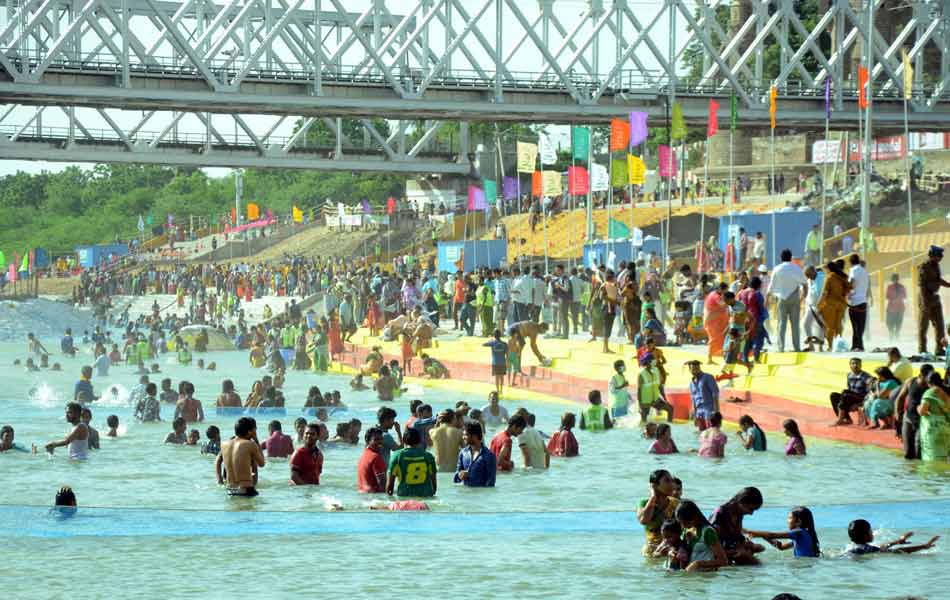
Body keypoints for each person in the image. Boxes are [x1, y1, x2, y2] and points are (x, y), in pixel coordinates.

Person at [710, 486, 765, 565]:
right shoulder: (720, 514)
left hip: (731, 547)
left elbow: (737, 536)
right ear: (741, 502)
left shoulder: (739, 513)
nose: (751, 513)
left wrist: (745, 544)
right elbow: (711, 542)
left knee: (760, 548)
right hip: (717, 550)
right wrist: (736, 551)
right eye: (750, 509)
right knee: (752, 561)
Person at [766, 249, 807, 352]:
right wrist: (802, 298)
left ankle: (781, 348)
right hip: (794, 297)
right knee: (795, 324)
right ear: (790, 257)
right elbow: (805, 284)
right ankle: (797, 347)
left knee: (781, 324)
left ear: (781, 258)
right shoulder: (796, 268)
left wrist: (767, 299)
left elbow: (770, 287)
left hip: (781, 298)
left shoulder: (777, 269)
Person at [216, 417, 266, 496]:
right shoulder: (250, 444)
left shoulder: (224, 444)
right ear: (250, 431)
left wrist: (220, 480)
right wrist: (256, 439)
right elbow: (262, 463)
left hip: (230, 490)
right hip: (246, 489)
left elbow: (218, 460)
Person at [745, 506, 821, 558]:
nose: (787, 521)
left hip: (803, 565)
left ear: (798, 522)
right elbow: (781, 547)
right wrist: (763, 536)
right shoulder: (806, 534)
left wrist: (750, 532)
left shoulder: (798, 532)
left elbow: (772, 535)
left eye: (789, 518)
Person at [675, 500, 729, 572]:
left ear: (695, 517)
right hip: (690, 574)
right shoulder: (686, 530)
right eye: (680, 523)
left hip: (705, 576)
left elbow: (723, 561)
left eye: (686, 522)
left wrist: (698, 563)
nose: (683, 526)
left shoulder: (708, 532)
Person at [636, 469, 680, 555]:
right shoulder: (644, 503)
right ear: (655, 485)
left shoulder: (675, 503)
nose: (672, 485)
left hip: (672, 548)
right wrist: (653, 497)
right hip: (652, 549)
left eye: (672, 481)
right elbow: (644, 520)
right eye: (667, 481)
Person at [895, 364, 934, 460]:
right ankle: (909, 473)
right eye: (926, 377)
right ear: (920, 375)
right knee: (908, 453)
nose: (928, 380)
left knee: (918, 451)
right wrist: (897, 413)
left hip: (923, 421)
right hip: (907, 418)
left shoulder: (932, 386)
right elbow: (900, 398)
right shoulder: (910, 381)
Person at [386, 427, 437, 497]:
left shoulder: (397, 456)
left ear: (404, 440)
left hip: (404, 496)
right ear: (419, 440)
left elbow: (389, 487)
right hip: (426, 495)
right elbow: (434, 486)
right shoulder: (429, 456)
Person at [917, 245, 949, 355]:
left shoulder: (936, 266)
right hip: (926, 297)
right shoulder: (924, 267)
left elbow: (938, 280)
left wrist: (948, 285)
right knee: (923, 326)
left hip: (935, 298)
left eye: (941, 256)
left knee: (940, 325)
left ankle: (939, 349)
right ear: (932, 255)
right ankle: (922, 349)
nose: (940, 258)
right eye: (939, 256)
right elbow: (921, 285)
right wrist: (925, 302)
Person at [845, 519, 939, 555]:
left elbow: (880, 548)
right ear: (866, 536)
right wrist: (924, 546)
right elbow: (899, 551)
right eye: (870, 531)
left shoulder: (852, 547)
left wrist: (898, 541)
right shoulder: (867, 549)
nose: (872, 532)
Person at [830, 358, 873, 426]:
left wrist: (860, 403)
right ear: (850, 365)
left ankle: (840, 419)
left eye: (857, 363)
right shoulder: (849, 375)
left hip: (861, 398)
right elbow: (849, 388)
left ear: (861, 365)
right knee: (833, 395)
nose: (855, 365)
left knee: (845, 394)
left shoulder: (866, 377)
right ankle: (847, 419)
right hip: (850, 397)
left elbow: (870, 393)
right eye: (853, 363)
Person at [817, 261, 850, 350]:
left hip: (831, 304)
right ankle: (838, 344)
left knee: (830, 326)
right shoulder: (842, 276)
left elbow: (825, 293)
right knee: (838, 325)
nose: (825, 271)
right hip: (842, 305)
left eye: (825, 269)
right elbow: (848, 289)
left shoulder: (830, 277)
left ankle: (830, 346)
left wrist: (819, 304)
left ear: (828, 269)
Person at [918, 371, 950, 462]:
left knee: (931, 456)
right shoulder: (945, 392)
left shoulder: (930, 392)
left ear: (928, 382)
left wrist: (917, 407)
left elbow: (922, 411)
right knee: (943, 455)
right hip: (945, 427)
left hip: (933, 429)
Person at [454, 422, 497, 487]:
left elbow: (491, 483)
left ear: (474, 436)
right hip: (466, 493)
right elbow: (456, 478)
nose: (463, 437)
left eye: (466, 435)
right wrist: (460, 475)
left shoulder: (489, 456)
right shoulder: (463, 453)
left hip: (481, 495)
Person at [637, 353, 673, 423]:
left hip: (656, 399)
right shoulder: (641, 374)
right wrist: (639, 405)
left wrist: (665, 399)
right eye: (652, 360)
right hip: (645, 401)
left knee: (670, 408)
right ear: (647, 362)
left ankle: (669, 425)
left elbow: (660, 386)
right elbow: (639, 390)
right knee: (644, 421)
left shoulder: (656, 370)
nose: (655, 361)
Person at [846, 254, 869, 351]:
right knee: (861, 326)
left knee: (855, 326)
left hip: (855, 301)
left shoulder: (853, 270)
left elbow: (852, 282)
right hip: (863, 301)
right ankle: (859, 345)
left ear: (851, 262)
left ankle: (857, 346)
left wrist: (847, 292)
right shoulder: (864, 271)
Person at [688, 360, 719, 431]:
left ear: (699, 368)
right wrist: (694, 412)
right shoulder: (691, 383)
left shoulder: (708, 377)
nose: (695, 371)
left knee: (711, 431)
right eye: (693, 369)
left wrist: (716, 412)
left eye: (697, 369)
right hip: (698, 411)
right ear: (689, 370)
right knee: (701, 433)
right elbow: (693, 399)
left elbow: (715, 394)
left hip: (709, 409)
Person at [356, 427, 387, 493]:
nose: (380, 442)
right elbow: (382, 484)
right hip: (373, 497)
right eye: (376, 439)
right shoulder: (376, 457)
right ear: (367, 441)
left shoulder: (363, 455)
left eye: (381, 439)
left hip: (362, 496)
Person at [703, 285, 729, 363]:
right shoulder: (715, 296)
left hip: (716, 321)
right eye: (725, 291)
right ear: (721, 289)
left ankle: (719, 357)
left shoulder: (715, 294)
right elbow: (722, 304)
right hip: (712, 321)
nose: (726, 292)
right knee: (714, 339)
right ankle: (709, 358)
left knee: (721, 338)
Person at [483, 330, 509, 397]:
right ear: (500, 335)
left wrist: (490, 340)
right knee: (502, 376)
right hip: (503, 362)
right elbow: (507, 354)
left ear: (494, 336)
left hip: (495, 362)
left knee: (497, 377)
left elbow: (483, 344)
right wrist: (507, 362)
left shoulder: (492, 343)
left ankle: (497, 390)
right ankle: (501, 390)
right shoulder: (504, 344)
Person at [885, 273, 907, 342]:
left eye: (895, 279)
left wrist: (894, 299)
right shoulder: (891, 287)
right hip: (895, 308)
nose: (894, 280)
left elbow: (887, 296)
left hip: (895, 308)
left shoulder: (900, 287)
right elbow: (904, 296)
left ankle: (895, 335)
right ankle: (893, 334)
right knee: (892, 323)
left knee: (895, 323)